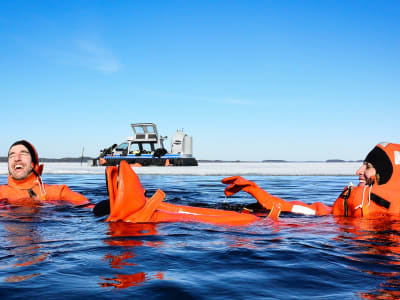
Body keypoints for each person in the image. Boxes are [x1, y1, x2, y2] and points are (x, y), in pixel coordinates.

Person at [222, 142, 400, 218]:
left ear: (386, 175)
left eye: (367, 167)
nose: (358, 171)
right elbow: (313, 212)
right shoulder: (351, 208)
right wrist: (260, 195)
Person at [0, 140, 91, 206]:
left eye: (23, 154)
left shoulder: (57, 192)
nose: (16, 158)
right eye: (12, 155)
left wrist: (102, 210)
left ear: (34, 163)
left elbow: (87, 206)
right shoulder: (1, 193)